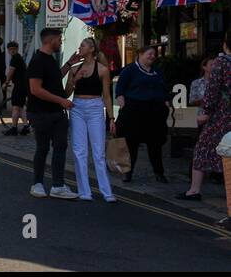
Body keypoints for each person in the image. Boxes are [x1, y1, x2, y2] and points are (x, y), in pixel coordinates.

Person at [175, 38, 231, 203]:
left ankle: (194, 190)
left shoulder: (221, 62)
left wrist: (205, 112)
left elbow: (212, 90)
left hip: (220, 115)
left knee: (202, 149)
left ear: (225, 44)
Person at [25, 27, 77, 200]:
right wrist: (61, 101)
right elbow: (35, 89)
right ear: (51, 40)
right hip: (41, 113)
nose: (61, 41)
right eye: (59, 39)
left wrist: (69, 63)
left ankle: (58, 185)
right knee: (42, 148)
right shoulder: (38, 60)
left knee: (60, 147)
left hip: (57, 113)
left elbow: (55, 77)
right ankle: (37, 184)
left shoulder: (50, 59)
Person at [64, 38, 116, 202]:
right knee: (79, 151)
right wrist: (75, 79)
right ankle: (84, 191)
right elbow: (66, 93)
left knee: (98, 151)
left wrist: (111, 118)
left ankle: (107, 192)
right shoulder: (74, 69)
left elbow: (107, 96)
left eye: (83, 45)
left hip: (95, 107)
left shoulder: (102, 70)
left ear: (92, 49)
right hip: (77, 106)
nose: (79, 48)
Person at [114, 43, 169, 184]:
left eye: (153, 54)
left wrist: (165, 102)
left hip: (154, 112)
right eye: (149, 54)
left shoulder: (157, 71)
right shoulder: (130, 70)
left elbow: (164, 89)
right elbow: (120, 89)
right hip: (134, 111)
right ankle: (127, 173)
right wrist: (123, 104)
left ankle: (159, 173)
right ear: (140, 54)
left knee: (155, 145)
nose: (152, 56)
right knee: (131, 144)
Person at [3, 42, 30, 136]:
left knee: (15, 107)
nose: (12, 51)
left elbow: (11, 72)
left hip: (19, 85)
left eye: (13, 49)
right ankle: (26, 126)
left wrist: (6, 83)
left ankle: (14, 128)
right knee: (21, 107)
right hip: (24, 85)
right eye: (11, 49)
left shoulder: (14, 59)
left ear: (17, 49)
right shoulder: (20, 58)